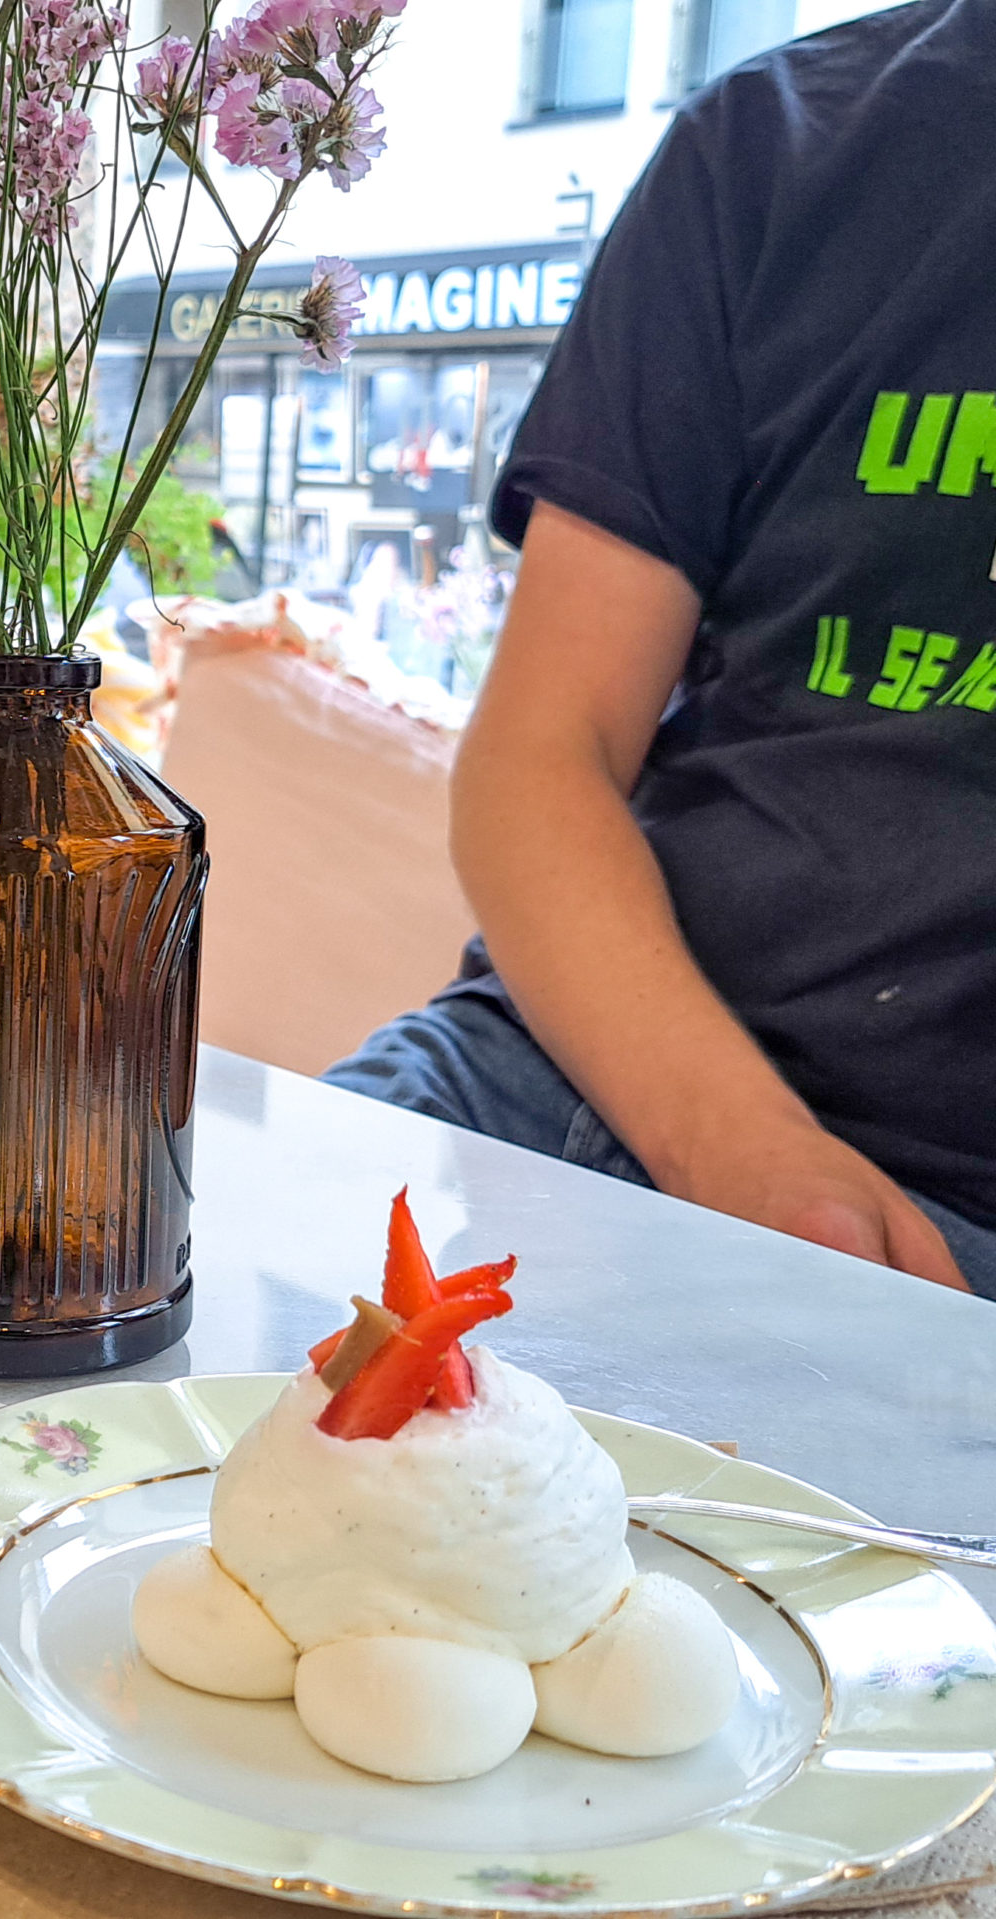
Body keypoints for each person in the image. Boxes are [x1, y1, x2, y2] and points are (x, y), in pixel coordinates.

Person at [322, 0, 996, 1301]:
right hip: (559, 1079)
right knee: (88, 1404)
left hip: (951, 1247)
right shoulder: (772, 142)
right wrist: (745, 1150)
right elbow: (537, 758)